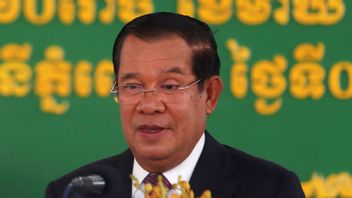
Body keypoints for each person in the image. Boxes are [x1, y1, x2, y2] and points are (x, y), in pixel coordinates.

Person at [45, 12, 305, 198]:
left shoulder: (271, 189)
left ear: (210, 95)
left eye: (170, 86)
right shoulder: (76, 191)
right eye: (133, 86)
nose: (148, 105)